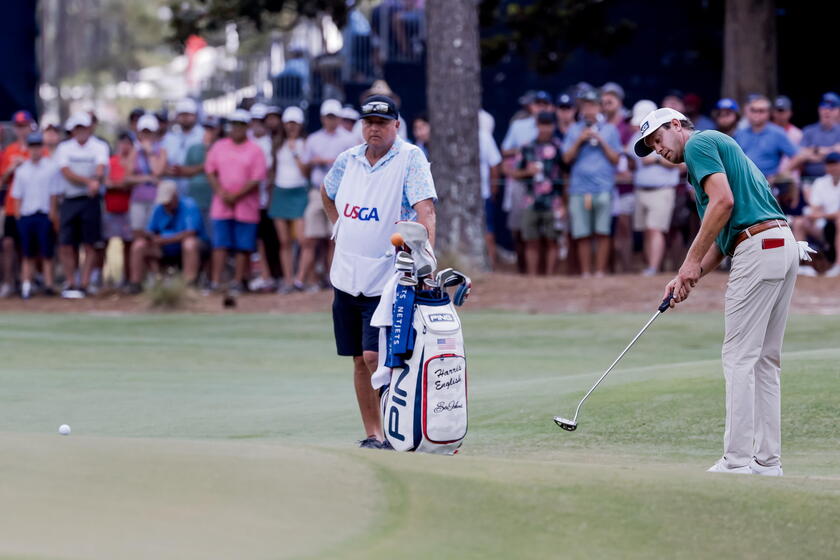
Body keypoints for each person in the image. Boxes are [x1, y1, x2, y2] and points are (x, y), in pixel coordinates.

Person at [635, 107, 800, 476]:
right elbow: (723, 238)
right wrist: (688, 276)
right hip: (779, 243)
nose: (657, 149)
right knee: (764, 360)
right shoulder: (717, 150)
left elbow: (723, 203)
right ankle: (766, 462)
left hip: (758, 246)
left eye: (658, 140)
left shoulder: (700, 144)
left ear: (676, 125)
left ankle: (737, 460)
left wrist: (689, 261)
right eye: (650, 146)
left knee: (739, 357)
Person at [321, 94, 436, 449]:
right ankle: (374, 434)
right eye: (369, 122)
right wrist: (338, 227)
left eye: (382, 123)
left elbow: (426, 211)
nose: (374, 129)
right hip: (347, 275)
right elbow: (327, 193)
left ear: (396, 126)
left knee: (377, 358)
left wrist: (424, 260)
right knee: (359, 359)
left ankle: (395, 433)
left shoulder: (410, 158)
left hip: (387, 276)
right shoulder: (348, 159)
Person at [205, 109, 266, 292]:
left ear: (247, 127)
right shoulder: (219, 146)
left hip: (246, 205)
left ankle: (238, 282)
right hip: (221, 203)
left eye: (241, 125)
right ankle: (216, 282)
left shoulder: (255, 150)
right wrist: (221, 192)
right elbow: (210, 170)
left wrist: (236, 195)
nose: (237, 129)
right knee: (220, 244)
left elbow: (257, 178)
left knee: (243, 246)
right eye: (234, 125)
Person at [562, 89, 621, 277]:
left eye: (592, 105)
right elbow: (566, 159)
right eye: (585, 106)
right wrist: (580, 140)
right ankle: (586, 271)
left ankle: (600, 270)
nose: (589, 110)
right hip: (579, 188)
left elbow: (615, 159)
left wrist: (600, 140)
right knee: (582, 232)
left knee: (603, 231)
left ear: (599, 107)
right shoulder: (574, 130)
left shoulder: (610, 130)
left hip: (603, 187)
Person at [300, 98, 357, 291]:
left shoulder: (349, 140)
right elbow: (305, 166)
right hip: (317, 192)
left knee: (335, 239)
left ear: (339, 118)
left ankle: (334, 280)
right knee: (312, 238)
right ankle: (308, 279)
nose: (330, 120)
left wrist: (327, 160)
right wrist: (315, 162)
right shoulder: (313, 138)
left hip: (341, 194)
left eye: (333, 117)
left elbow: (354, 165)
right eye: (327, 117)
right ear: (322, 118)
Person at [54, 112, 109, 298]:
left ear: (88, 128)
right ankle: (71, 282)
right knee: (66, 244)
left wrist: (95, 180)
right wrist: (89, 181)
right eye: (76, 128)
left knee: (90, 243)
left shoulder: (99, 146)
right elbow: (66, 171)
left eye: (83, 127)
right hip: (70, 199)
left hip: (90, 201)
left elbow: (100, 168)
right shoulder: (64, 148)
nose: (80, 131)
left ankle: (84, 283)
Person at [628, 100, 683, 275]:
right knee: (646, 230)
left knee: (655, 229)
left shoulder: (671, 137)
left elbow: (681, 164)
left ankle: (654, 267)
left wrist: (656, 159)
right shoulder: (634, 139)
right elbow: (630, 163)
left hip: (662, 189)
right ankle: (649, 266)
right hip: (641, 189)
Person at [128, 180, 207, 290]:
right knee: (139, 245)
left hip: (189, 247)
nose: (166, 206)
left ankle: (190, 283)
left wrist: (165, 240)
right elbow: (151, 230)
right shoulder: (159, 208)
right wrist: (146, 236)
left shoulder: (189, 205)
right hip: (164, 248)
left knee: (189, 243)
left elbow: (191, 232)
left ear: (175, 196)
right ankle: (136, 284)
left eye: (168, 203)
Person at [514, 112, 565, 275]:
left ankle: (550, 276)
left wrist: (564, 202)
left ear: (553, 126)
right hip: (531, 200)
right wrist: (527, 172)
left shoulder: (559, 147)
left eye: (548, 125)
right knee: (531, 240)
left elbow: (565, 174)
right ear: (537, 126)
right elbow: (515, 172)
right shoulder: (527, 147)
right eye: (542, 125)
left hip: (553, 201)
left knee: (552, 239)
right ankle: (532, 276)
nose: (545, 129)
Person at [10, 132, 60, 298]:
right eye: (32, 146)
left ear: (42, 148)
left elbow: (54, 194)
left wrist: (53, 215)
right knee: (28, 254)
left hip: (44, 215)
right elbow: (17, 196)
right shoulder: (22, 170)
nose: (35, 150)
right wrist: (19, 217)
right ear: (29, 148)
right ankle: (26, 286)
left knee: (47, 253)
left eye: (38, 146)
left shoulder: (50, 167)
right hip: (27, 216)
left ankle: (49, 285)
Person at [268, 106, 310, 293]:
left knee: (303, 240)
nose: (291, 127)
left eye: (294, 123)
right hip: (280, 192)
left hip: (299, 192)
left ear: (300, 125)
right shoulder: (277, 143)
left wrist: (295, 152)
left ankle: (301, 278)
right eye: (288, 123)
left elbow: (305, 171)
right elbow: (274, 170)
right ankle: (288, 280)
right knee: (284, 241)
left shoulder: (305, 144)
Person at [0, 110, 37, 297]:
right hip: (13, 206)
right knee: (8, 244)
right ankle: (8, 282)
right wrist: (11, 168)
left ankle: (29, 281)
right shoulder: (9, 151)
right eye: (19, 126)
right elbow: (2, 182)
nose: (23, 130)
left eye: (25, 126)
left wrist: (29, 162)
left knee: (30, 245)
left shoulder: (39, 149)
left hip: (34, 205)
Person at [249, 103, 280, 292]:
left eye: (260, 120)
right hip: (249, 199)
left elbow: (269, 173)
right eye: (254, 120)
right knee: (256, 240)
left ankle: (270, 276)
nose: (257, 124)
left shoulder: (271, 142)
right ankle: (263, 275)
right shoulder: (247, 140)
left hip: (265, 199)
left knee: (269, 240)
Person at [793, 152, 840, 277]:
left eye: (835, 164)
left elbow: (819, 212)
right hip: (824, 227)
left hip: (834, 225)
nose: (833, 167)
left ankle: (838, 265)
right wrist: (822, 215)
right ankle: (801, 266)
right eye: (830, 164)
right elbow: (814, 209)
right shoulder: (820, 182)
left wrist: (822, 214)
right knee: (799, 223)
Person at [734, 95, 798, 180]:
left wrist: (780, 175)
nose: (757, 114)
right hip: (743, 179)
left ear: (768, 113)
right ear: (748, 111)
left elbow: (797, 156)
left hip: (767, 182)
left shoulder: (777, 133)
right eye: (753, 110)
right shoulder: (740, 133)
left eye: (761, 111)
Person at [181, 116, 222, 242]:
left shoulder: (223, 148)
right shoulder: (194, 148)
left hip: (215, 201)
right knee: (194, 237)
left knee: (213, 238)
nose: (208, 131)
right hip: (194, 200)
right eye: (205, 128)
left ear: (218, 130)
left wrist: (209, 152)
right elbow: (185, 171)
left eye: (211, 128)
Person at [103, 132, 136, 285]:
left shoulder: (134, 162)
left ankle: (128, 278)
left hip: (129, 208)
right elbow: (107, 182)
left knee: (129, 244)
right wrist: (122, 184)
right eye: (122, 142)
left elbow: (130, 183)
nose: (125, 146)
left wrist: (120, 184)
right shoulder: (111, 161)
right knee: (104, 243)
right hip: (111, 208)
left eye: (128, 143)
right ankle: (105, 278)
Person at [128, 114, 167, 239]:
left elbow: (157, 171)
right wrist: (147, 178)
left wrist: (149, 152)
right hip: (138, 200)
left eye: (149, 132)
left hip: (156, 200)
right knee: (138, 238)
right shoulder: (134, 151)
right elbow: (127, 178)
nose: (146, 136)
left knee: (154, 236)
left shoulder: (161, 150)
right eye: (143, 132)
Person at [163, 98, 204, 195]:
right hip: (173, 192)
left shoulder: (203, 135)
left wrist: (187, 171)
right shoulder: (169, 138)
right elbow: (163, 163)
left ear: (195, 116)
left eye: (188, 114)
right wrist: (169, 170)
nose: (185, 117)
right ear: (177, 116)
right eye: (182, 114)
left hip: (197, 192)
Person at [796, 92, 840, 182]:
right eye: (824, 107)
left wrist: (815, 151)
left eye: (832, 107)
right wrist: (832, 151)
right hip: (810, 179)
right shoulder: (809, 130)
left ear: (838, 111)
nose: (827, 111)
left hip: (837, 180)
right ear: (819, 109)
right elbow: (800, 154)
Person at [479, 109, 503, 269]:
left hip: (483, 193)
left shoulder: (484, 137)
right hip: (483, 193)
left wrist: (493, 189)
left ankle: (492, 265)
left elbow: (495, 164)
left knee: (488, 232)